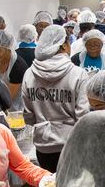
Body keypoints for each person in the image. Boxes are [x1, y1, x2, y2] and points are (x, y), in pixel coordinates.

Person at [21, 25, 90, 173]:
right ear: (64, 45)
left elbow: (28, 116)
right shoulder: (78, 74)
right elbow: (83, 116)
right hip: (70, 144)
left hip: (42, 145)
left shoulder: (29, 74)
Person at [0, 30, 29, 112]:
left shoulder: (18, 66)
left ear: (8, 48)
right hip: (2, 105)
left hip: (17, 110)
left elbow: (9, 98)